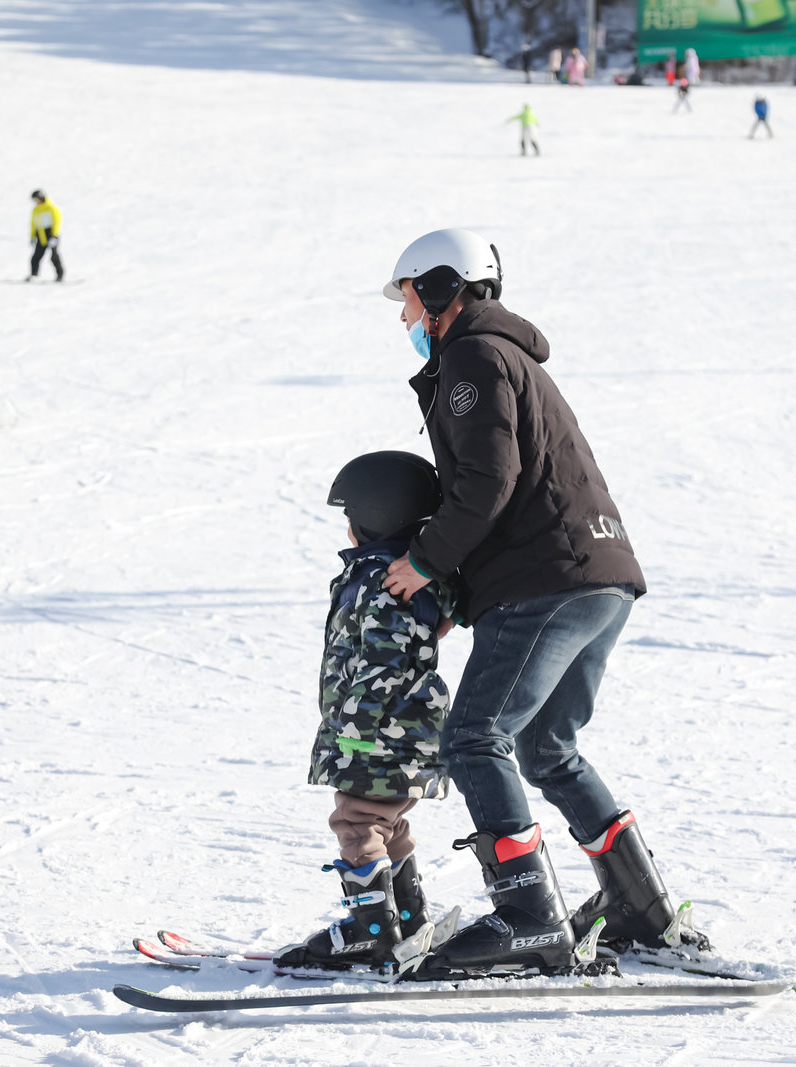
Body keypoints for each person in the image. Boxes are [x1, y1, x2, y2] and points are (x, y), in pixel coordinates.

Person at [379, 229, 709, 977]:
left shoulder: (473, 354)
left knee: (474, 737)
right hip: (598, 575)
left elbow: (489, 482)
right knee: (548, 748)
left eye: (406, 299)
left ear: (438, 290)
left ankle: (529, 919)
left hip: (551, 582)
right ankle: (640, 907)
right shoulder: (505, 356)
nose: (402, 319)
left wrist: (423, 562)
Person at [274, 451, 457, 971]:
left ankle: (370, 933)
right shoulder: (402, 576)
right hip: (400, 731)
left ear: (370, 518)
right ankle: (408, 921)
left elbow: (385, 662)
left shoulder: (384, 581)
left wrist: (353, 729)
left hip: (377, 734)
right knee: (387, 824)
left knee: (357, 825)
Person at [27, 189, 64, 283]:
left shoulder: (51, 208)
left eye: (37, 199)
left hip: (51, 235)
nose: (36, 202)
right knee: (36, 257)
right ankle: (34, 275)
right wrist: (33, 236)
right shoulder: (36, 210)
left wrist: (54, 235)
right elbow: (33, 224)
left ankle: (60, 275)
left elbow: (57, 222)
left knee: (54, 257)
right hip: (41, 235)